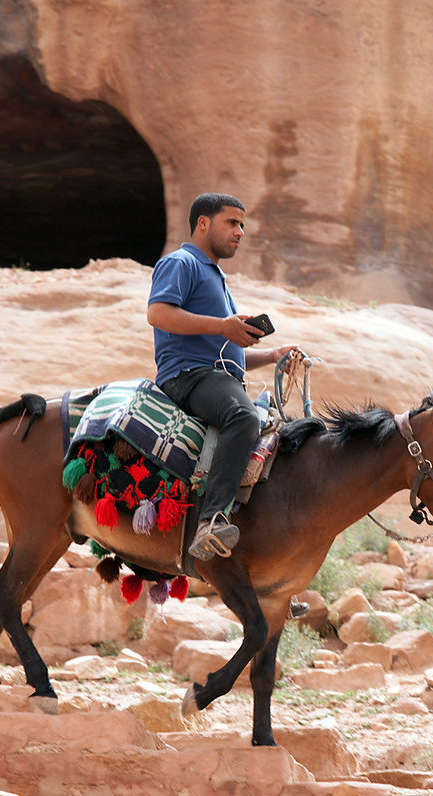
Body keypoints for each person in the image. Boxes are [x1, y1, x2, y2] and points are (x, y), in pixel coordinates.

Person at [148, 192, 296, 560]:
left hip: (216, 378)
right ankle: (212, 520)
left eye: (243, 225)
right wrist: (223, 325)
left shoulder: (218, 278)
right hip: (188, 377)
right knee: (243, 415)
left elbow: (228, 349)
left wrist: (273, 355)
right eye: (232, 222)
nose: (240, 232)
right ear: (203, 223)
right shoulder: (181, 262)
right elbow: (158, 314)